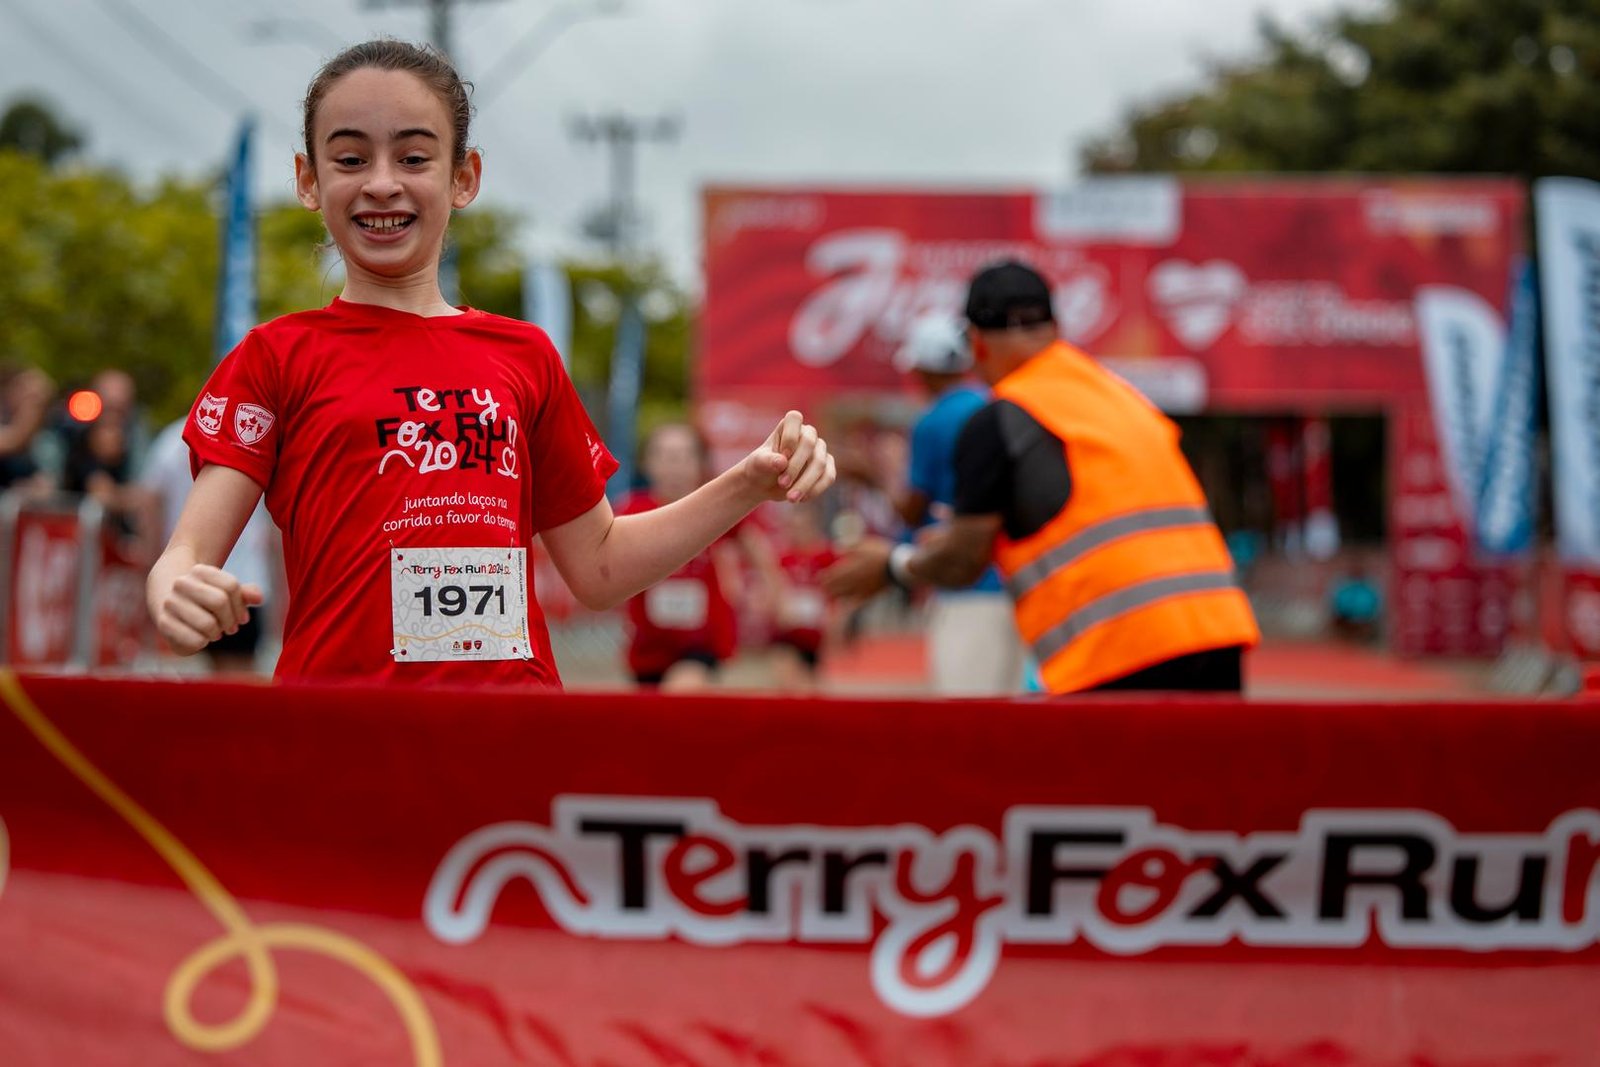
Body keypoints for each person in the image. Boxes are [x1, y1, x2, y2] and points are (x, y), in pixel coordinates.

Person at [145, 40, 835, 687]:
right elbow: (185, 553)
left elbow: (599, 565)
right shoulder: (275, 357)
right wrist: (175, 588)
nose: (381, 183)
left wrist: (748, 481)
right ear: (308, 179)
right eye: (350, 159)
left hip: (510, 734)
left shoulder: (525, 357)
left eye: (414, 158)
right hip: (341, 734)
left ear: (463, 177)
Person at [823, 260, 1258, 694]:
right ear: (1056, 328)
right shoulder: (1123, 398)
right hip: (1218, 631)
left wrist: (893, 566)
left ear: (976, 344)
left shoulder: (1000, 419)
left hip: (1121, 648)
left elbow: (962, 560)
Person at [891, 315, 1024, 695]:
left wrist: (873, 478)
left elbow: (912, 509)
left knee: (965, 713)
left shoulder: (933, 422)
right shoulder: (997, 404)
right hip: (1016, 583)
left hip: (965, 586)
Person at [620, 422, 781, 691]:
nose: (675, 466)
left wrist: (773, 588)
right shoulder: (633, 509)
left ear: (700, 463)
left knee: (681, 690)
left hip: (700, 642)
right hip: (649, 645)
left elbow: (752, 543)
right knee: (656, 713)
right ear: (648, 463)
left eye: (684, 456)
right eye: (665, 456)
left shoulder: (713, 504)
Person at [143, 417, 278, 673]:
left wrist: (154, 560)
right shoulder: (257, 430)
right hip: (227, 579)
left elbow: (149, 500)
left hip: (197, 578)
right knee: (235, 674)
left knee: (215, 673)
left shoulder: (171, 439)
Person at [765, 500, 839, 692]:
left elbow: (836, 592)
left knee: (811, 685)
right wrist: (776, 606)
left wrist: (834, 621)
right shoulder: (783, 556)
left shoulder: (826, 556)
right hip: (788, 629)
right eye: (794, 526)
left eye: (803, 526)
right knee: (786, 679)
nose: (798, 531)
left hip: (815, 631)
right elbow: (773, 587)